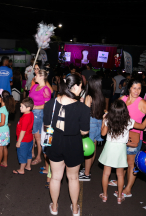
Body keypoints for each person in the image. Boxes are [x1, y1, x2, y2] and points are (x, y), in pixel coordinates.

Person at [45, 74, 90, 216]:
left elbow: (47, 125)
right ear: (75, 87)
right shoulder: (82, 108)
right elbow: (84, 132)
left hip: (55, 143)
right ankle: (75, 209)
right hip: (73, 144)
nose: (81, 90)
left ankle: (54, 207)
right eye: (81, 87)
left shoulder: (49, 104)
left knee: (55, 177)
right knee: (73, 178)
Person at [109, 79, 146, 197]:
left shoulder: (141, 102)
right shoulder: (123, 99)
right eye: (134, 88)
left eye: (139, 88)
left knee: (131, 164)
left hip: (134, 138)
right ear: (129, 88)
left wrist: (145, 126)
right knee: (122, 160)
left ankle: (128, 189)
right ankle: (120, 180)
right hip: (121, 137)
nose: (137, 91)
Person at [99, 100, 146, 204]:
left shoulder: (108, 119)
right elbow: (142, 127)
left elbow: (103, 134)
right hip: (121, 149)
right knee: (120, 175)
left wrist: (103, 120)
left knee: (106, 174)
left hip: (109, 148)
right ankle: (119, 197)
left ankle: (105, 196)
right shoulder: (128, 121)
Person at [79, 75, 105, 181]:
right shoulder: (100, 95)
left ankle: (86, 173)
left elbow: (85, 112)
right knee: (93, 148)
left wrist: (81, 103)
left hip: (90, 123)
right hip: (99, 122)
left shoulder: (89, 96)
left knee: (88, 149)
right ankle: (87, 169)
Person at [29, 68, 52, 167]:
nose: (35, 76)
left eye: (37, 75)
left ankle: (38, 157)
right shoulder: (35, 86)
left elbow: (47, 105)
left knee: (38, 137)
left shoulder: (46, 89)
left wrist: (34, 107)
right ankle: (32, 153)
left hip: (39, 114)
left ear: (42, 77)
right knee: (32, 134)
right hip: (31, 112)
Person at [13, 97, 34, 175]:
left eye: (22, 106)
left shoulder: (25, 118)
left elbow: (23, 131)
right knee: (28, 153)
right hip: (30, 138)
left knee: (22, 154)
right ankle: (28, 166)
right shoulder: (30, 114)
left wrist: (19, 142)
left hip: (24, 140)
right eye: (20, 106)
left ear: (28, 108)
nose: (20, 108)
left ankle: (21, 169)